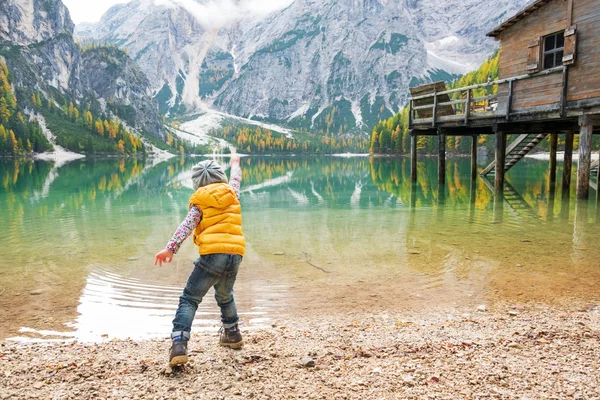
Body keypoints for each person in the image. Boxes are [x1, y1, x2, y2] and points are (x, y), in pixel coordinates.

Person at [154, 154, 245, 367]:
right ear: (220, 176)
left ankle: (179, 344)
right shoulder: (232, 193)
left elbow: (187, 225)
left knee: (190, 298)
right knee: (225, 294)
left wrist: (170, 248)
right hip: (236, 254)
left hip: (213, 254)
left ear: (197, 183)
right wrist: (235, 164)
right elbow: (237, 179)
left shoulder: (199, 202)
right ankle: (232, 334)